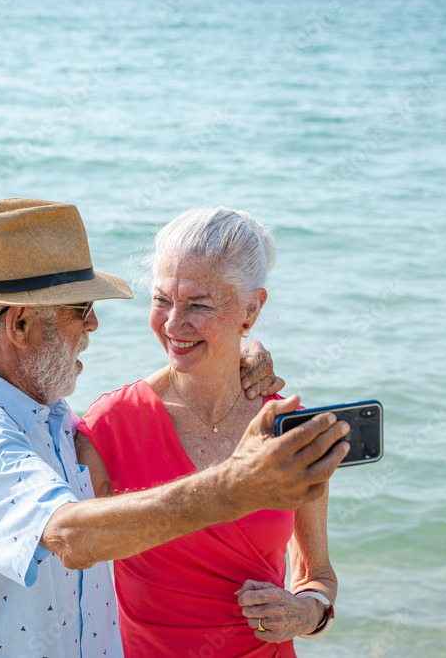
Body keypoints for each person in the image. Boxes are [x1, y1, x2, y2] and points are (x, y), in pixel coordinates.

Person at [0, 198, 350, 658]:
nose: (94, 323)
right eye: (81, 307)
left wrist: (235, 352)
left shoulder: (49, 417)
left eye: (199, 303)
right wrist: (236, 487)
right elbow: (74, 536)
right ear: (21, 323)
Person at [75, 205, 336, 657]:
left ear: (251, 309)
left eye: (199, 304)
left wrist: (306, 612)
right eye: (161, 300)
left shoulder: (288, 428)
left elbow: (318, 575)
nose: (174, 324)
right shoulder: (109, 427)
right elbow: (62, 575)